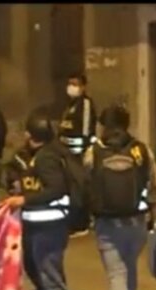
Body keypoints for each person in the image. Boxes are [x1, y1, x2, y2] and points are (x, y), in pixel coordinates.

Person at [84, 105, 156, 290]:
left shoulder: (94, 152)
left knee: (116, 275)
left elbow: (86, 182)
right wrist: (153, 210)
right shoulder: (141, 150)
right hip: (136, 223)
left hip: (107, 223)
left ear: (104, 126)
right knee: (129, 271)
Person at [0, 109, 78, 290]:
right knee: (42, 275)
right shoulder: (43, 154)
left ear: (31, 134)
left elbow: (56, 189)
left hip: (49, 227)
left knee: (52, 279)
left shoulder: (47, 158)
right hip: (37, 226)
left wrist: (23, 200)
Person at [2, 145, 49, 290]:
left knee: (41, 262)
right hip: (30, 215)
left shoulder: (48, 158)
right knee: (32, 260)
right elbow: (10, 171)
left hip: (44, 218)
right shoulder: (20, 157)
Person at [59, 72, 97, 237]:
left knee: (80, 188)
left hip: (79, 154)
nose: (71, 87)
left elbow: (85, 131)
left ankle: (82, 222)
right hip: (68, 154)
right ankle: (73, 220)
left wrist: (83, 151)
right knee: (71, 188)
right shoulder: (70, 105)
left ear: (83, 87)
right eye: (70, 83)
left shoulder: (85, 104)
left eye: (75, 84)